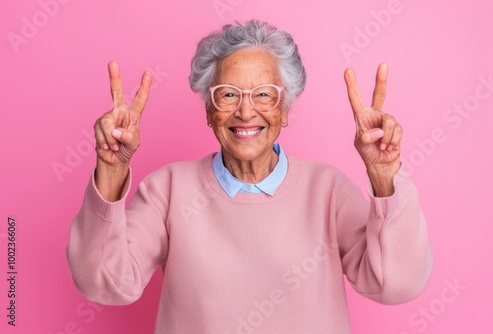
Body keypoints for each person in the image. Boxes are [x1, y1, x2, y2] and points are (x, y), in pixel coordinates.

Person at [67, 20, 433, 333]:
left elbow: (397, 284)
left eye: (263, 94)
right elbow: (104, 283)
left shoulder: (328, 190)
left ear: (285, 108)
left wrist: (385, 176)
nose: (246, 110)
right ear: (209, 111)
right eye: (228, 94)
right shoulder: (167, 190)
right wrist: (112, 171)